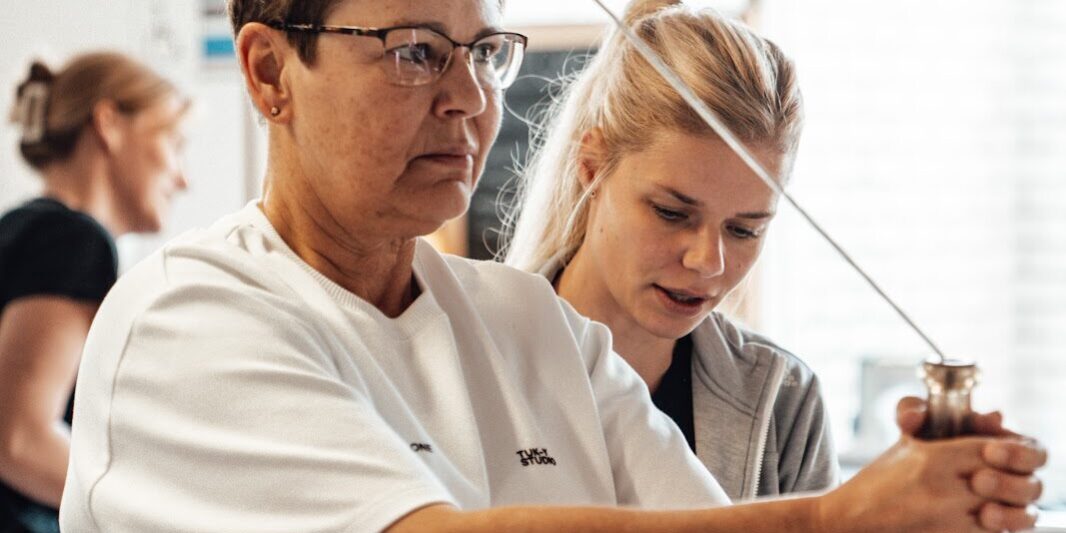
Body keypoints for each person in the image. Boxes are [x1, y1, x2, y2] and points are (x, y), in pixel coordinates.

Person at [60, 1, 1046, 532]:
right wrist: (835, 521)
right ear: (272, 71)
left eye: (485, 51)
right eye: (413, 53)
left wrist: (928, 500)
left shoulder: (534, 325)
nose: (468, 99)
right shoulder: (187, 316)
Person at [503, 0, 833, 500]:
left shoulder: (785, 399)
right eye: (672, 213)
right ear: (591, 166)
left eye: (744, 230)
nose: (708, 262)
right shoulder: (470, 359)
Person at [0, 52, 189, 533]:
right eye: (172, 142)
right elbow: (18, 439)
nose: (182, 178)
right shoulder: (72, 241)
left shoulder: (26, 230)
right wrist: (165, 512)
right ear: (109, 124)